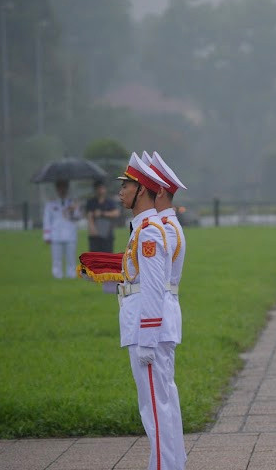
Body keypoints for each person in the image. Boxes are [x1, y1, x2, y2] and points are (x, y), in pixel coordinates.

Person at [115, 152, 185, 470]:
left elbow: (155, 287)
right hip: (147, 326)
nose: (121, 192)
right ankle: (171, 464)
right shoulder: (144, 228)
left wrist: (147, 337)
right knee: (160, 404)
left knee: (154, 408)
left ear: (141, 189)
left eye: (126, 186)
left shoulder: (150, 231)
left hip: (148, 330)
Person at [42, 179, 81, 279]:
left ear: (67, 188)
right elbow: (47, 220)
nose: (62, 190)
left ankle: (71, 275)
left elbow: (77, 217)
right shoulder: (51, 204)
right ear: (57, 189)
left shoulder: (73, 203)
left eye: (64, 187)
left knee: (71, 259)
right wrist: (47, 235)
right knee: (56, 260)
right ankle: (57, 275)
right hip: (56, 235)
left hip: (70, 234)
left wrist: (73, 210)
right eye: (60, 187)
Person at [85, 179, 121, 252]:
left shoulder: (109, 202)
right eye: (98, 188)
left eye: (102, 188)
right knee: (95, 256)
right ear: (95, 189)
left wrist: (102, 213)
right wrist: (92, 229)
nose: (100, 190)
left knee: (107, 255)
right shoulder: (91, 202)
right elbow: (89, 216)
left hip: (107, 233)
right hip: (95, 234)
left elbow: (116, 213)